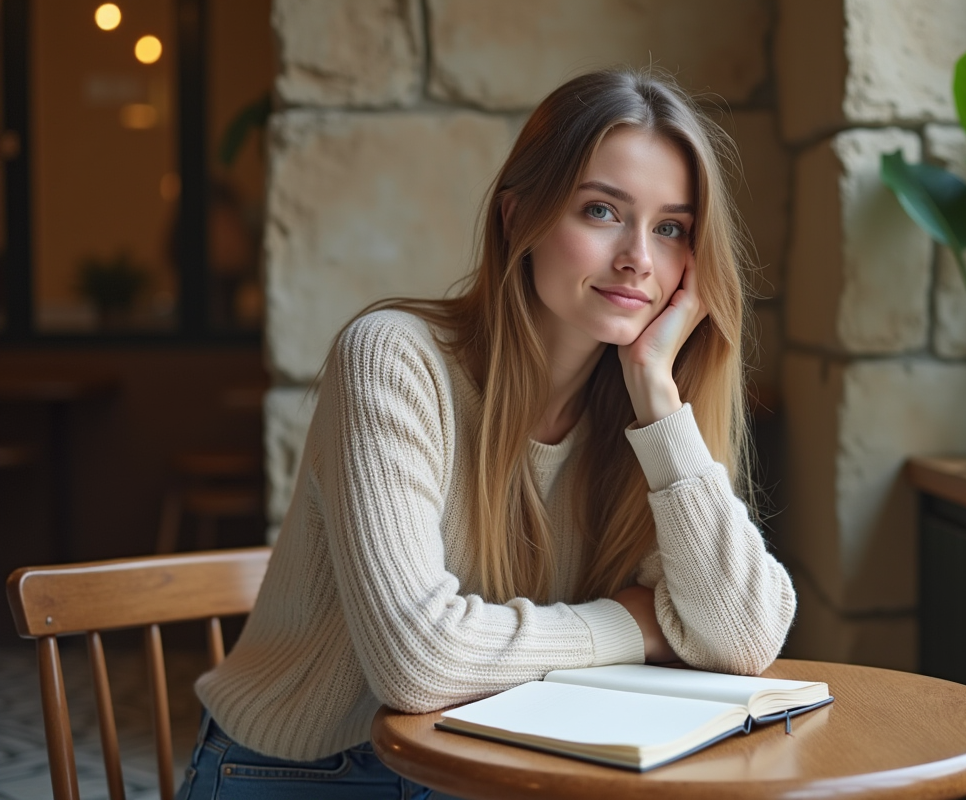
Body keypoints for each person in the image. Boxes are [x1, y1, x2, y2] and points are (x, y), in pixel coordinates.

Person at [175, 67, 796, 800]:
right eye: (601, 211)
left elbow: (745, 635)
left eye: (671, 229)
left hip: (500, 761)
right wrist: (640, 626)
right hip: (307, 774)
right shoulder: (392, 361)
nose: (638, 257)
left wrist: (659, 401)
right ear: (517, 217)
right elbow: (417, 660)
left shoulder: (640, 409)